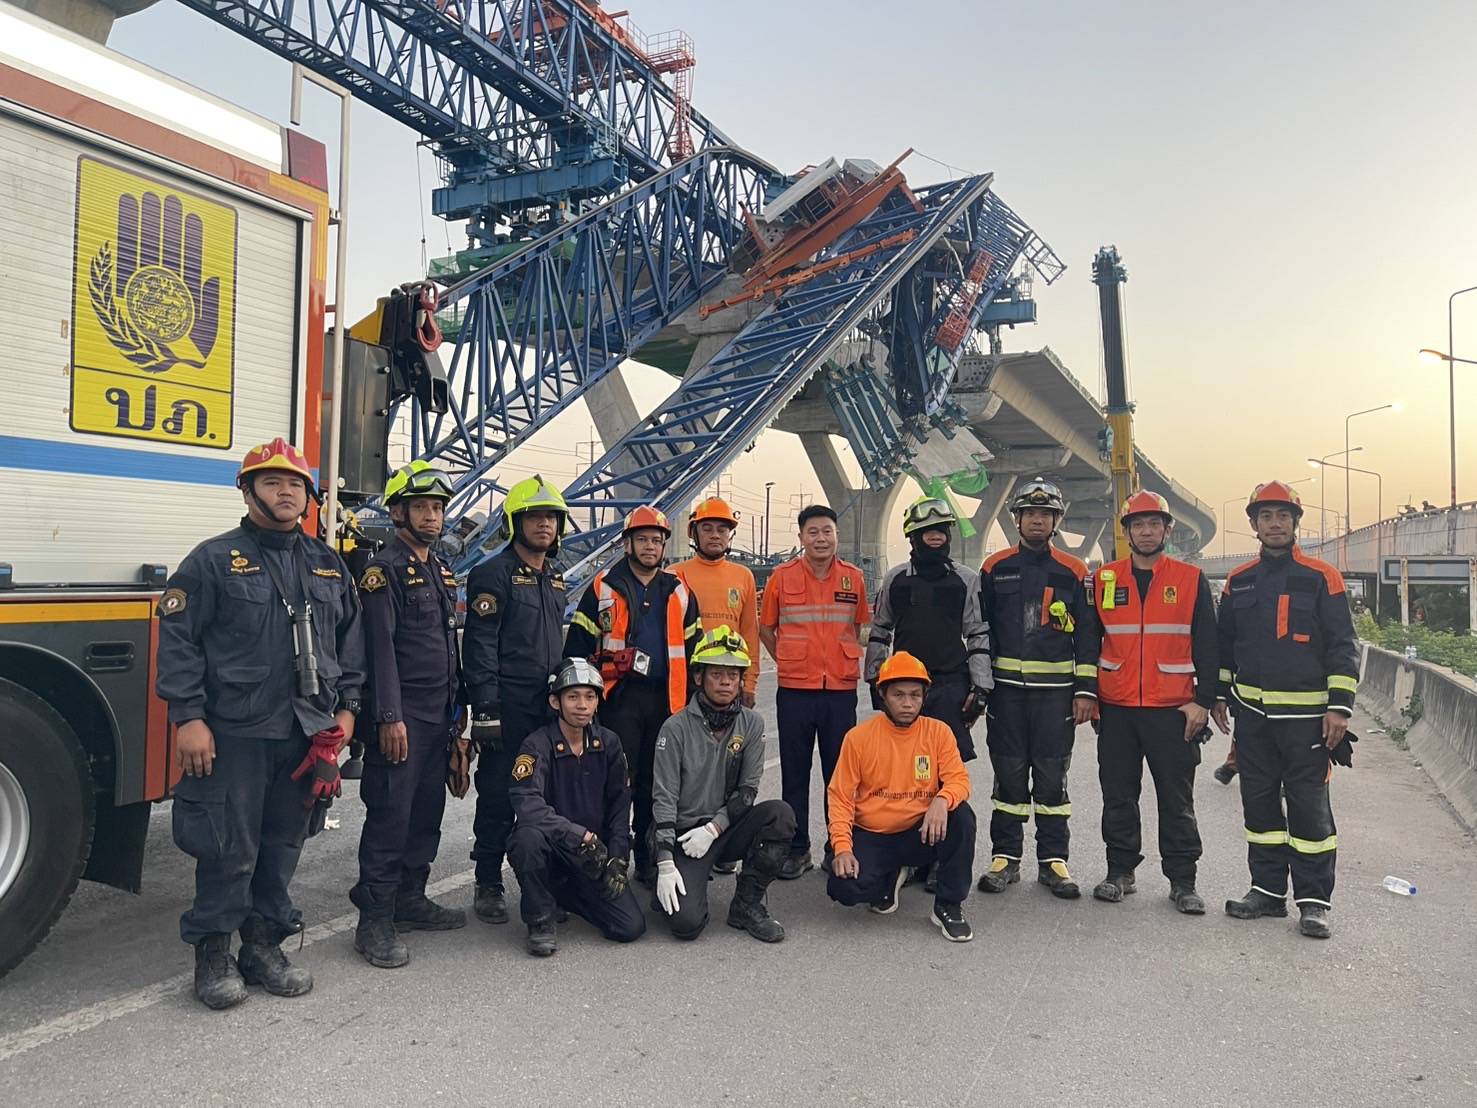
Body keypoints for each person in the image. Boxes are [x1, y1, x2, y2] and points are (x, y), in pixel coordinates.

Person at [156, 438, 365, 1010]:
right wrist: (188, 718)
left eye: (295, 483)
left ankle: (263, 947)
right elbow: (178, 641)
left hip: (306, 731)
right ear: (247, 492)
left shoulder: (328, 563)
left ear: (310, 496)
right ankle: (213, 954)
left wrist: (347, 710)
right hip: (236, 732)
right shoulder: (213, 560)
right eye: (271, 482)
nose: (285, 491)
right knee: (228, 847)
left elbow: (351, 643)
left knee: (283, 845)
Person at [1217, 481, 1359, 939]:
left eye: (1282, 516)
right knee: (1259, 809)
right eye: (1266, 516)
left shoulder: (1322, 577)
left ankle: (1313, 902)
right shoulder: (1239, 580)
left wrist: (1339, 708)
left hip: (1307, 724)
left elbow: (1342, 645)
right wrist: (1218, 696)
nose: (1274, 524)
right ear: (1254, 525)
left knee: (1309, 812)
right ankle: (1267, 892)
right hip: (1253, 722)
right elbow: (1224, 647)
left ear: (1295, 522)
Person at [349, 461, 466, 969]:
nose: (432, 516)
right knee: (390, 817)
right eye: (421, 507)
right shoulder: (385, 570)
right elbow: (380, 648)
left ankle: (410, 899)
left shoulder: (439, 570)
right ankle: (373, 921)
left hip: (438, 715)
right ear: (398, 512)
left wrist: (458, 720)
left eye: (438, 508)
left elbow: (448, 647)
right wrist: (388, 716)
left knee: (425, 814)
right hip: (404, 717)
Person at [1086, 491, 1221, 914]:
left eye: (1154, 524)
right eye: (1138, 525)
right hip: (1117, 708)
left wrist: (1203, 701)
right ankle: (1119, 872)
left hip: (1173, 710)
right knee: (1118, 796)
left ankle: (1183, 882)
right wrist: (1089, 694)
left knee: (1176, 800)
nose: (1146, 532)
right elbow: (1089, 641)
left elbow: (1209, 644)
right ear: (1126, 532)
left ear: (1167, 530)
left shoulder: (1190, 578)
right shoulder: (1104, 579)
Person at [566, 505, 702, 886]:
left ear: (664, 546)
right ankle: (613, 855)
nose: (649, 546)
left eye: (656, 540)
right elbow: (577, 645)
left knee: (656, 784)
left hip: (666, 702)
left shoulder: (679, 590)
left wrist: (695, 700)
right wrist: (581, 700)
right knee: (617, 780)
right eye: (642, 539)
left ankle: (648, 858)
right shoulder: (603, 587)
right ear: (628, 544)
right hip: (617, 699)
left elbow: (695, 651)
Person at [976, 478, 1097, 900]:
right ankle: (1005, 858)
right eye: (1030, 513)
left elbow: (1088, 636)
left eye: (1045, 514)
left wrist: (1086, 690)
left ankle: (1053, 861)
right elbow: (981, 630)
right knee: (1008, 776)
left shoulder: (1074, 571)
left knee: (1051, 779)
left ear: (1056, 521)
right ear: (1017, 519)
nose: (1037, 520)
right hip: (1006, 695)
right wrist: (980, 685)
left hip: (1055, 696)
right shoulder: (994, 568)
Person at [462, 475, 570, 925]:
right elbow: (480, 645)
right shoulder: (492, 574)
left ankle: (540, 879)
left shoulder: (555, 579)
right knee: (497, 794)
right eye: (535, 516)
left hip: (547, 707)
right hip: (507, 706)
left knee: (545, 793)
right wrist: (485, 709)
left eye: (551, 517)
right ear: (514, 523)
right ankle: (488, 879)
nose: (544, 524)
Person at [649, 626, 794, 942]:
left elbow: (748, 791)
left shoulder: (751, 724)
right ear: (698, 677)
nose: (726, 682)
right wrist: (665, 861)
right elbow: (664, 797)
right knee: (686, 925)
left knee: (780, 815)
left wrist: (714, 828)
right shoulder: (674, 728)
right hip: (686, 835)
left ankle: (746, 906)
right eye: (716, 674)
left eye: (733, 674)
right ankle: (670, 881)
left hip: (725, 827)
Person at [826, 653, 976, 941]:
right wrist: (843, 848)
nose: (907, 703)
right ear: (882, 695)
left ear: (924, 697)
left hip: (921, 833)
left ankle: (948, 905)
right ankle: (890, 876)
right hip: (874, 834)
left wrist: (942, 800)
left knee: (961, 817)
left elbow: (959, 779)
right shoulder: (858, 738)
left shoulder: (939, 733)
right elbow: (840, 797)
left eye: (915, 695)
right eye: (898, 695)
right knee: (844, 888)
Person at [759, 504, 871, 879]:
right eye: (813, 532)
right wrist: (789, 659)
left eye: (827, 531)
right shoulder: (782, 576)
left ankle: (836, 846)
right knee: (795, 772)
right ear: (801, 537)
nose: (820, 539)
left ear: (836, 535)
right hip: (795, 690)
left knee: (838, 774)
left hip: (839, 690)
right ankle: (797, 848)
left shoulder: (853, 578)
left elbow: (858, 626)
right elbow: (766, 628)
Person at [507, 658, 646, 956]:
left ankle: (566, 895)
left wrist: (618, 857)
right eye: (572, 696)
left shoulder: (609, 743)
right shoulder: (536, 745)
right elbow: (527, 803)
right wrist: (578, 835)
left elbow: (620, 806)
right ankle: (540, 919)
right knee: (526, 839)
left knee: (629, 927)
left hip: (593, 856)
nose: (582, 705)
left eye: (590, 696)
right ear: (555, 702)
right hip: (559, 847)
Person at [865, 496, 992, 762]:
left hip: (951, 684)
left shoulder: (966, 580)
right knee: (904, 761)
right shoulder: (896, 579)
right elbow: (880, 631)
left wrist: (981, 688)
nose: (935, 536)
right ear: (912, 537)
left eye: (941, 531)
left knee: (948, 762)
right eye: (927, 531)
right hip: (905, 684)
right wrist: (875, 679)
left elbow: (977, 634)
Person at [672, 497, 760, 709]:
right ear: (694, 533)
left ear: (730, 535)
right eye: (707, 528)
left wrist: (749, 684)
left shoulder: (743, 576)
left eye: (722, 529)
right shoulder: (674, 575)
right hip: (686, 679)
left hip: (728, 679)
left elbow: (750, 633)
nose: (715, 535)